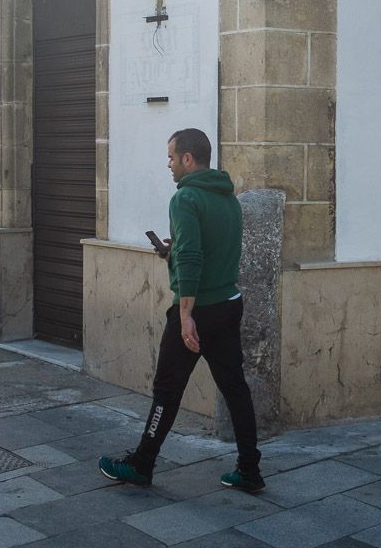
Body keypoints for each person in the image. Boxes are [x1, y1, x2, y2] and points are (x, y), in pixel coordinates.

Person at [98, 128, 264, 492]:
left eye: (172, 158)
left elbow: (192, 258)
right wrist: (174, 251)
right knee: (235, 388)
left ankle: (142, 463)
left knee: (167, 389)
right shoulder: (227, 198)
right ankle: (250, 470)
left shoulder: (186, 198)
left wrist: (186, 314)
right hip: (228, 304)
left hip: (198, 308)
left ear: (189, 159)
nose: (169, 165)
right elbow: (208, 250)